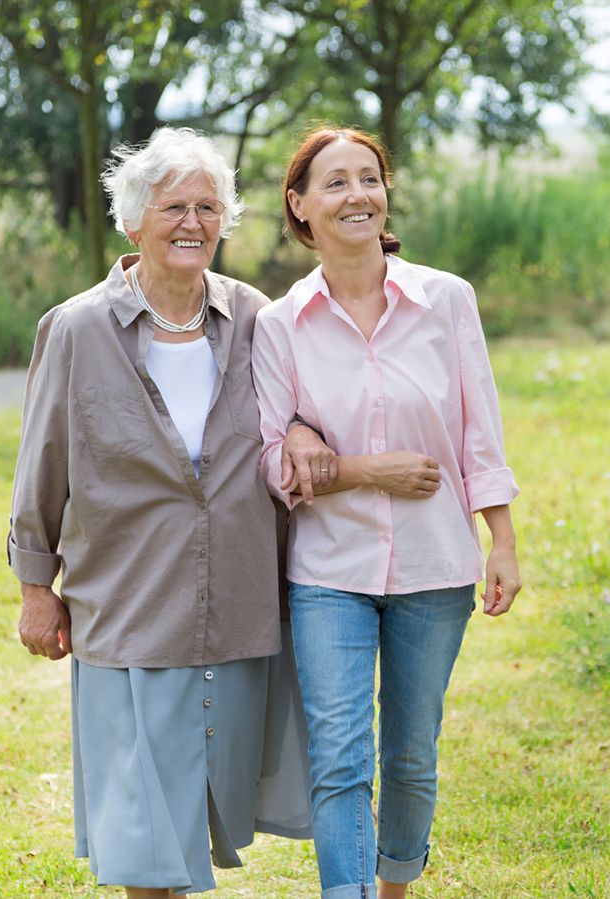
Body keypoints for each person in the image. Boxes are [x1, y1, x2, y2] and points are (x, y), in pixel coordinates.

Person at [7, 127, 315, 898]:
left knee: (193, 811)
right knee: (144, 832)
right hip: (129, 601)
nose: (192, 222)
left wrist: (306, 430)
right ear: (133, 219)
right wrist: (36, 587)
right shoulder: (76, 327)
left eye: (208, 206)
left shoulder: (256, 317)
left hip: (239, 599)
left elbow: (301, 411)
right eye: (173, 205)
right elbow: (43, 461)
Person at [251, 126, 523, 899]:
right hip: (328, 571)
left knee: (409, 755)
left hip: (436, 563)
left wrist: (501, 538)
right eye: (334, 184)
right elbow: (274, 463)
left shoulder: (446, 301)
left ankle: (395, 886)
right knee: (340, 756)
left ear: (386, 193)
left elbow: (480, 431)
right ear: (300, 207)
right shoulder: (280, 325)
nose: (357, 195)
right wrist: (363, 470)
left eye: (368, 178)